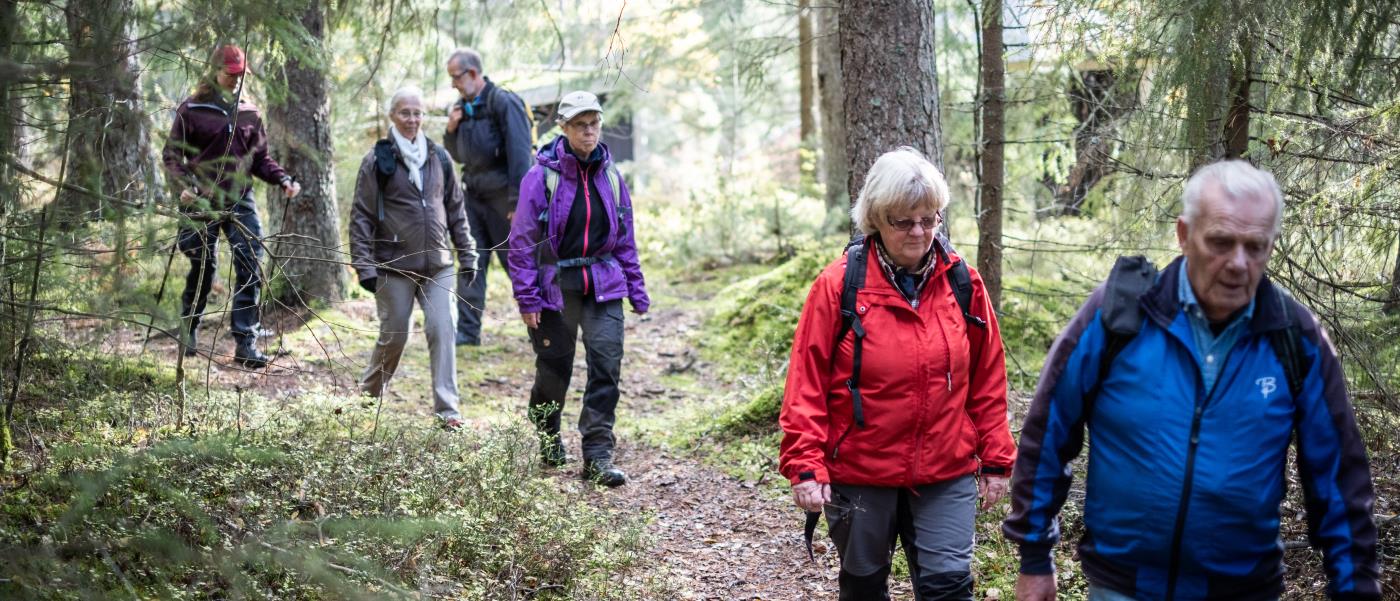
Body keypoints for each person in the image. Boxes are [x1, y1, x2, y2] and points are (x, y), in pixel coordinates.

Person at [1002, 160, 1380, 601]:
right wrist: (1034, 558)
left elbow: (1339, 478)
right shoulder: (1120, 314)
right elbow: (1049, 430)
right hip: (1123, 587)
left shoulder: (1294, 337)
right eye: (1220, 241)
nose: (1239, 263)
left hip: (1241, 590)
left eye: (1255, 246)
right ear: (1184, 235)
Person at [778, 148, 1016, 600]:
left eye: (930, 219)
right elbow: (805, 384)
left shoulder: (963, 283)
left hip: (946, 468)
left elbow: (987, 379)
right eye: (903, 221)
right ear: (876, 219)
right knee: (865, 586)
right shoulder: (839, 285)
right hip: (861, 470)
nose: (919, 232)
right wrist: (806, 465)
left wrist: (997, 457)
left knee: (949, 586)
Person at [506, 91, 648, 487]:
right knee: (555, 368)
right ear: (564, 128)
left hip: (603, 284)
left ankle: (597, 455)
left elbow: (625, 239)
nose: (589, 132)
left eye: (594, 124)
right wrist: (527, 297)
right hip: (556, 286)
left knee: (606, 366)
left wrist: (636, 289)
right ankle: (548, 434)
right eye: (580, 125)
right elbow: (522, 242)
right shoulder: (541, 176)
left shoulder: (611, 175)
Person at [161, 44, 301, 368]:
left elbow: (260, 159)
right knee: (203, 266)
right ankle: (189, 328)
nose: (236, 81)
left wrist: (282, 180)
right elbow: (171, 155)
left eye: (241, 75)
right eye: (230, 74)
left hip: (240, 199)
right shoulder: (192, 109)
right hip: (200, 201)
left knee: (251, 263)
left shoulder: (250, 111)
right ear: (214, 72)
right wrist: (185, 186)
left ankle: (246, 343)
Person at [349, 87, 479, 430]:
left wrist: (468, 254)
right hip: (394, 265)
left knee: (443, 327)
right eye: (405, 113)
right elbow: (361, 215)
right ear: (392, 116)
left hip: (438, 263)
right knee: (395, 335)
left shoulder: (438, 156)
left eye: (418, 113)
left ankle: (448, 411)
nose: (412, 119)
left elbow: (455, 210)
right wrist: (363, 265)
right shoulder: (377, 160)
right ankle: (368, 397)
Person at [443, 48, 534, 346]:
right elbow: (458, 156)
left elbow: (520, 155)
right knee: (471, 262)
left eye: (456, 77)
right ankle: (468, 333)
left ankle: (545, 326)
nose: (454, 84)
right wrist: (451, 130)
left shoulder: (504, 102)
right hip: (474, 199)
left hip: (503, 201)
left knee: (518, 265)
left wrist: (515, 204)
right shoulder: (462, 108)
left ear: (472, 73)